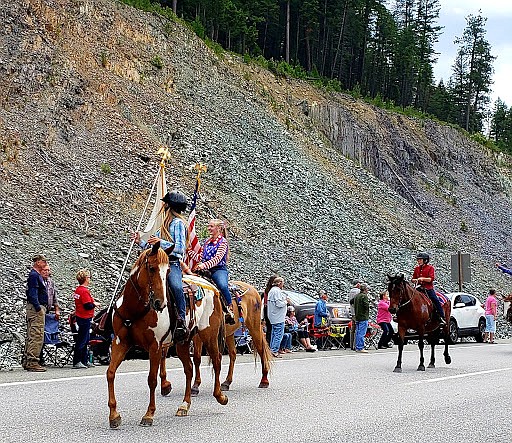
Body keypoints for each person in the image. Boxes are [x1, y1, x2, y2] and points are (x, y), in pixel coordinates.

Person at [132, 190, 189, 341]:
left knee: (176, 286)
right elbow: (152, 246)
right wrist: (140, 242)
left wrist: (160, 242)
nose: (163, 206)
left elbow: (180, 248)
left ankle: (182, 320)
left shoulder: (178, 224)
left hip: (172, 262)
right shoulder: (164, 224)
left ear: (170, 206)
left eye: (165, 203)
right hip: (158, 261)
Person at [190, 219, 235, 324]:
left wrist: (204, 265)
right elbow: (201, 257)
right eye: (208, 226)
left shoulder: (223, 242)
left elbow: (217, 258)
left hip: (218, 269)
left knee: (222, 285)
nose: (209, 228)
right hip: (205, 269)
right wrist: (189, 252)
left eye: (211, 226)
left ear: (218, 228)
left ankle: (229, 308)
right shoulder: (207, 242)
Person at [23, 254, 49, 372]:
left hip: (34, 308)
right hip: (36, 309)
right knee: (36, 334)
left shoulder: (36, 275)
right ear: (38, 262)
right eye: (43, 261)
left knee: (32, 333)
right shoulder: (34, 275)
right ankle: (33, 361)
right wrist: (38, 308)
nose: (45, 263)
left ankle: (27, 360)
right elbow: (32, 293)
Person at [72, 269, 99, 369]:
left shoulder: (78, 290)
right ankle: (78, 361)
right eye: (88, 277)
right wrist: (94, 304)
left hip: (81, 317)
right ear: (86, 279)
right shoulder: (84, 291)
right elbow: (87, 305)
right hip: (85, 317)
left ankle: (84, 360)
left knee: (84, 339)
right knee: (83, 340)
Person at [412, 252, 446, 326]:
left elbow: (431, 279)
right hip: (418, 288)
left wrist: (423, 279)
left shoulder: (430, 268)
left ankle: (441, 317)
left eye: (420, 260)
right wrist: (416, 280)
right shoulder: (416, 268)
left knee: (435, 300)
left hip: (428, 288)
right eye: (418, 260)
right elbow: (413, 279)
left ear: (425, 260)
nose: (418, 261)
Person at [39, 264, 61, 366]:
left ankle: (40, 356)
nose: (47, 272)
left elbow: (55, 297)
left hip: (48, 310)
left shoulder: (51, 282)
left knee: (45, 332)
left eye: (48, 270)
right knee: (39, 333)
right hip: (39, 310)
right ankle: (38, 356)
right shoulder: (38, 281)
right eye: (45, 270)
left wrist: (57, 309)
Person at [267, 277, 289, 358]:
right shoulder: (276, 291)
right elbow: (279, 304)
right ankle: (274, 350)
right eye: (282, 282)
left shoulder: (271, 291)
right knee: (278, 334)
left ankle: (271, 349)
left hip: (273, 316)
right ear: (279, 283)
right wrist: (286, 301)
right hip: (278, 316)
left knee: (274, 333)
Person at [353, 283, 370, 353]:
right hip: (363, 316)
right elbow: (366, 306)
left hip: (357, 316)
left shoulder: (357, 296)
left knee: (357, 332)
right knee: (362, 333)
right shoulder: (364, 296)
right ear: (365, 289)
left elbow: (351, 301)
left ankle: (357, 346)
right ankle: (360, 347)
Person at [348, 280, 361, 350]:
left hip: (352, 312)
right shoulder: (358, 292)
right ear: (358, 284)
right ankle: (356, 345)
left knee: (352, 329)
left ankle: (351, 344)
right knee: (357, 329)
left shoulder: (351, 291)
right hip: (357, 312)